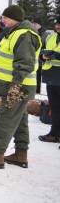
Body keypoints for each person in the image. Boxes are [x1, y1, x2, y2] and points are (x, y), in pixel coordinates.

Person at [0, 5, 41, 169]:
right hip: (15, 85)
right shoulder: (13, 33)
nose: (3, 20)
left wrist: (16, 85)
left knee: (5, 119)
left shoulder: (24, 35)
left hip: (18, 87)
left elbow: (25, 64)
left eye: (6, 18)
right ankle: (21, 154)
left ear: (15, 19)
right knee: (20, 119)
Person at [38, 15, 60, 145]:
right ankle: (54, 134)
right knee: (55, 107)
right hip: (51, 76)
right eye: (57, 24)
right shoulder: (51, 36)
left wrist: (56, 55)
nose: (57, 26)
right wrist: (43, 56)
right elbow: (42, 52)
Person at [30, 17, 50, 94]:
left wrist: (41, 54)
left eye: (35, 24)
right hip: (31, 59)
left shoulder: (45, 34)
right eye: (32, 24)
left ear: (39, 25)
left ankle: (37, 92)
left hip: (40, 60)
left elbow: (47, 47)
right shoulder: (32, 32)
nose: (33, 25)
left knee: (37, 78)